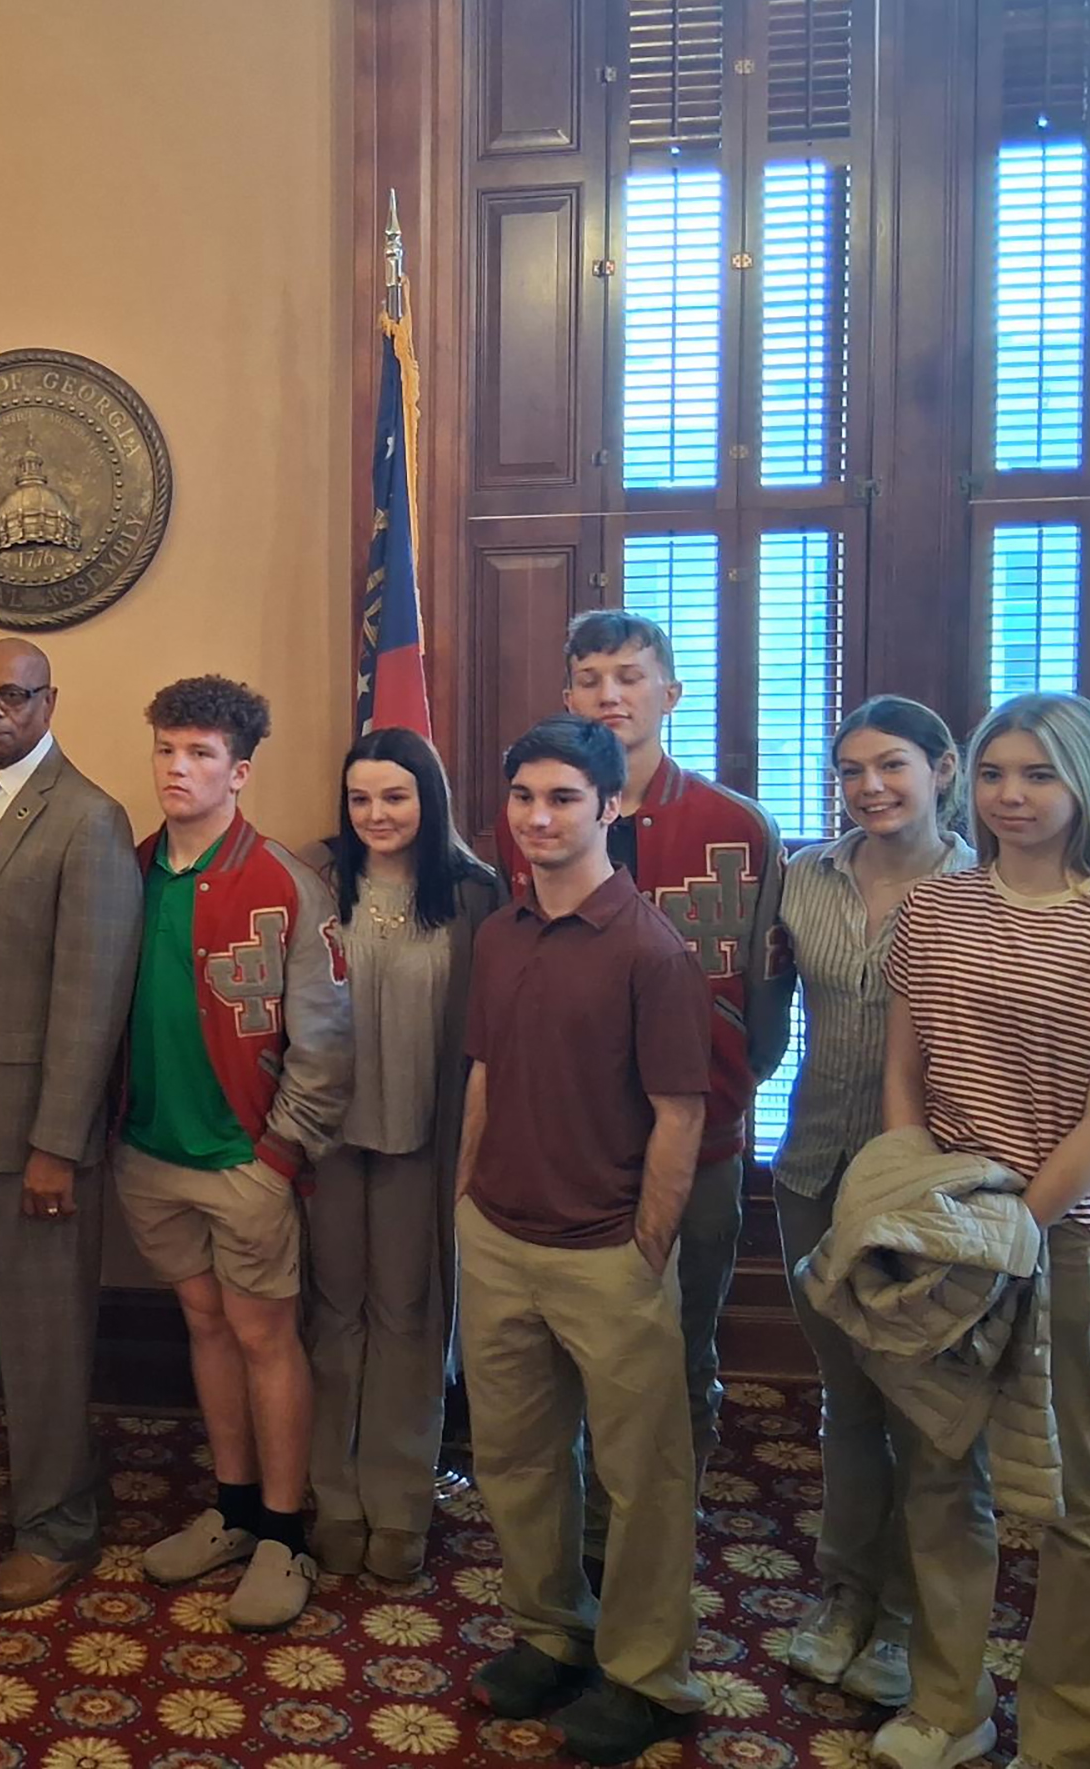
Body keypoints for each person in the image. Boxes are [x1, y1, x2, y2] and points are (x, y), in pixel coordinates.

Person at [872, 692, 1090, 1769]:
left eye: (1039, 774)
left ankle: (1065, 1734)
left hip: (1070, 1235)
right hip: (947, 1223)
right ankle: (948, 1704)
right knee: (939, 1470)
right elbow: (904, 1068)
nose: (1011, 795)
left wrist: (1015, 1227)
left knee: (1074, 1492)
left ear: (1084, 784)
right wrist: (922, 1202)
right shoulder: (935, 908)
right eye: (996, 772)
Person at [457, 713, 711, 1763]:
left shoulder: (651, 949)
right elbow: (483, 1072)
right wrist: (466, 1198)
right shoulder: (499, 930)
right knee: (515, 1459)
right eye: (524, 796)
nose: (539, 817)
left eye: (563, 797)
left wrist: (648, 1245)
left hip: (609, 1251)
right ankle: (551, 1630)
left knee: (640, 1476)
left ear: (611, 806)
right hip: (497, 1237)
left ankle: (649, 1674)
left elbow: (681, 1114)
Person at [492, 611, 787, 1507]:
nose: (609, 695)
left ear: (670, 692)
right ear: (567, 694)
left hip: (697, 1138)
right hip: (568, 1145)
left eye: (629, 676)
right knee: (569, 1358)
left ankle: (661, 1529)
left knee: (678, 1345)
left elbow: (767, 992)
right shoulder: (536, 817)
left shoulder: (735, 826)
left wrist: (729, 1088)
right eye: (589, 679)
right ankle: (583, 1536)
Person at [117, 674, 351, 1632]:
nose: (178, 768)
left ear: (240, 771)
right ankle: (235, 1507)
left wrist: (279, 1153)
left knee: (264, 1336)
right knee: (204, 1325)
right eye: (167, 749)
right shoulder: (132, 869)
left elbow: (327, 1043)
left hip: (245, 1158)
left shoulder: (286, 884)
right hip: (150, 1150)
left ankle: (285, 1536)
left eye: (201, 753)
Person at [0, 637, 143, 1609]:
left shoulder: (89, 818)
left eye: (13, 696)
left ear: (50, 703)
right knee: (13, 1328)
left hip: (35, 1134)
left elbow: (92, 999)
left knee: (46, 1335)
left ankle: (58, 1528)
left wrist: (58, 1142)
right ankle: (49, 1485)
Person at [772, 697, 976, 1707]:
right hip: (814, 1167)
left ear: (943, 767)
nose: (870, 786)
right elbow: (760, 1010)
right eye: (850, 769)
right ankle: (845, 1595)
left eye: (892, 764)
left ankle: (905, 1617)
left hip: (932, 1184)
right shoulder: (802, 877)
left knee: (926, 1409)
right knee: (847, 1398)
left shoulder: (983, 888)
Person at [306, 727, 502, 1582]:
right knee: (332, 1315)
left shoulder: (473, 893)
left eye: (395, 795)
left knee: (408, 1317)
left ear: (430, 798)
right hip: (326, 1140)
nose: (376, 813)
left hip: (425, 1139)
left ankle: (398, 1502)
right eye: (361, 797)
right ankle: (333, 1495)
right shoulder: (315, 879)